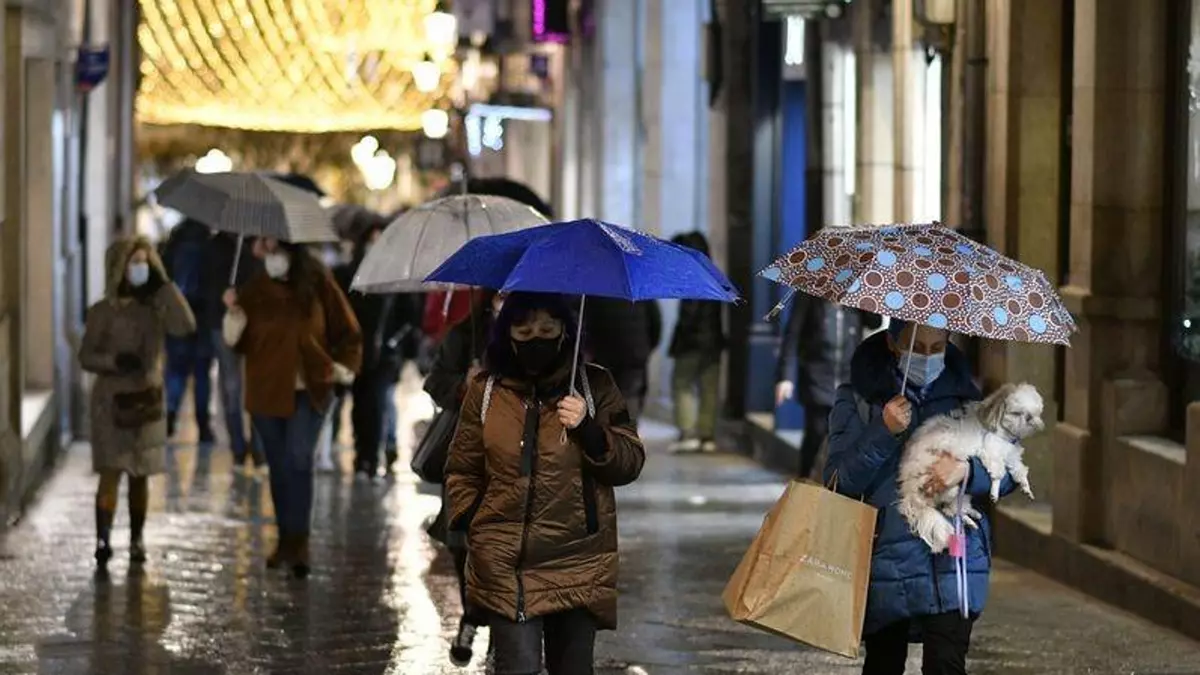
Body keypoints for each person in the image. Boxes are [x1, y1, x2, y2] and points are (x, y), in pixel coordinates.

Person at [445, 292, 645, 674]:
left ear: (565, 332)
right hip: (505, 563)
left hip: (578, 561)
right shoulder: (485, 392)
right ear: (506, 334)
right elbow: (462, 468)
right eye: (524, 332)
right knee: (517, 666)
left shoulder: (594, 386)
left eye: (547, 330)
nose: (535, 339)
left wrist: (589, 429)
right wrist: (472, 519)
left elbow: (630, 462)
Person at [823, 320, 1015, 675]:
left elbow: (1009, 472)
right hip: (886, 562)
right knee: (884, 665)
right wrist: (883, 431)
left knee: (946, 665)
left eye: (936, 348)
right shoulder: (859, 399)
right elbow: (838, 481)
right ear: (893, 344)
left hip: (953, 563)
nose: (927, 357)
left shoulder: (969, 401)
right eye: (917, 347)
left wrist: (967, 471)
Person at [222, 237, 362, 578]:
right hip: (267, 391)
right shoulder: (255, 289)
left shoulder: (318, 282)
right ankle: (285, 538)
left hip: (310, 388)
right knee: (279, 465)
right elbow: (237, 343)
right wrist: (234, 312)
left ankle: (300, 542)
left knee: (299, 458)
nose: (267, 252)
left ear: (290, 247)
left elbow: (347, 329)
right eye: (263, 247)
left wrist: (342, 367)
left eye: (273, 247)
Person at [79, 237, 196, 569]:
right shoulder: (102, 311)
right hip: (111, 403)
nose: (140, 269)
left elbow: (186, 325)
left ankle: (136, 538)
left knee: (140, 474)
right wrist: (115, 361)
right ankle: (103, 539)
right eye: (134, 263)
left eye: (145, 262)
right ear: (120, 268)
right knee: (111, 472)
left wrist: (165, 287)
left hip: (146, 401)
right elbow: (86, 355)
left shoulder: (156, 308)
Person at [422, 288, 504, 666]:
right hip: (465, 453)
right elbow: (436, 380)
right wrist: (462, 385)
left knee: (503, 543)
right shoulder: (466, 333)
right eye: (500, 291)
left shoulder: (540, 333)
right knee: (462, 541)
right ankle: (472, 612)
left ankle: (500, 629)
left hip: (513, 458)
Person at [333, 218, 419, 479]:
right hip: (357, 352)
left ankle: (371, 458)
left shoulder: (396, 278)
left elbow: (409, 316)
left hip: (384, 355)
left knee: (377, 404)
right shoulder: (348, 274)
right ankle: (363, 457)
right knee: (360, 405)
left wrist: (397, 345)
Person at [775, 294, 880, 478]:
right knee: (816, 432)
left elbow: (875, 322)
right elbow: (792, 336)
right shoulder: (808, 297)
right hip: (817, 378)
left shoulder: (855, 301)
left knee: (844, 435)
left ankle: (834, 482)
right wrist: (786, 378)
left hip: (848, 378)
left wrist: (865, 298)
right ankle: (804, 476)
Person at [205, 231, 264, 470]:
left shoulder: (259, 246)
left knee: (255, 387)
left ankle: (258, 447)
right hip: (222, 323)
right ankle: (238, 447)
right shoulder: (216, 246)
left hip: (254, 324)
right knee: (232, 387)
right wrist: (223, 294)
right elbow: (205, 282)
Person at [668, 232, 727, 453]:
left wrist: (678, 339)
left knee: (682, 384)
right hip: (713, 342)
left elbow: (689, 316)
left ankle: (687, 433)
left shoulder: (691, 276)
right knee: (709, 388)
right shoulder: (714, 275)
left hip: (691, 343)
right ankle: (707, 436)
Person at [161, 219, 215, 442]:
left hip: (177, 319)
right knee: (202, 375)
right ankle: (203, 425)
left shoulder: (173, 245)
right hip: (204, 319)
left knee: (176, 371)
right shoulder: (210, 246)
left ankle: (170, 413)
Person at [583, 298, 662, 422]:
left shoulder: (596, 293)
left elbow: (588, 322)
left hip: (603, 353)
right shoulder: (641, 294)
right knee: (630, 396)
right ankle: (627, 429)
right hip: (635, 354)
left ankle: (604, 427)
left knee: (603, 395)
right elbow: (656, 323)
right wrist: (646, 348)